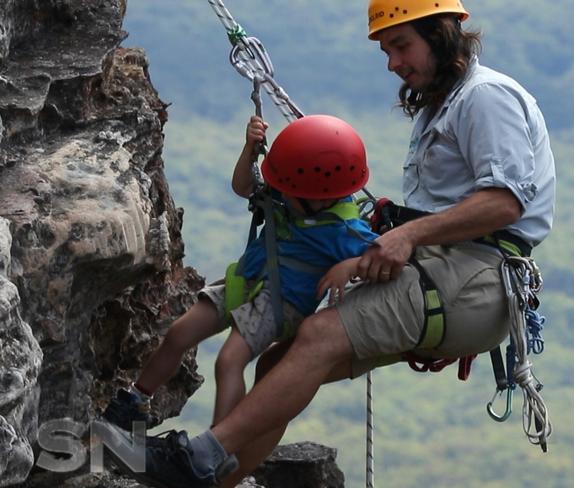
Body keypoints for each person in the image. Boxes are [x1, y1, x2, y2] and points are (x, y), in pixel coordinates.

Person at [116, 1, 556, 487]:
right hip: (448, 266)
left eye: (402, 45)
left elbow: (503, 205)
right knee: (280, 363)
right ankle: (219, 479)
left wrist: (404, 235)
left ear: (441, 33)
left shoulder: (485, 98)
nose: (393, 63)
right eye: (388, 50)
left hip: (475, 273)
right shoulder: (446, 104)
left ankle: (200, 457)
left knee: (319, 336)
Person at [101, 114, 379, 472]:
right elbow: (244, 186)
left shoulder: (344, 230)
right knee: (179, 333)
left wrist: (349, 267)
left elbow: (386, 255)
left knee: (229, 361)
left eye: (291, 192)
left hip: (281, 304)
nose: (282, 194)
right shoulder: (298, 191)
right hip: (246, 282)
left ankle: (213, 452)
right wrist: (251, 149)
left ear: (317, 197)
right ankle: (135, 403)